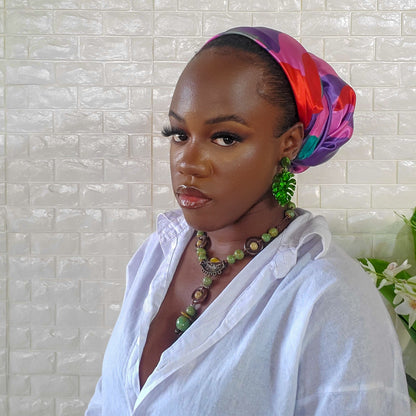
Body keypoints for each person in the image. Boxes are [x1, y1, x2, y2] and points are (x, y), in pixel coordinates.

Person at [86, 27, 410, 415]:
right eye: (178, 133)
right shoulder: (158, 253)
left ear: (288, 143)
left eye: (224, 138)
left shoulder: (329, 297)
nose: (187, 162)